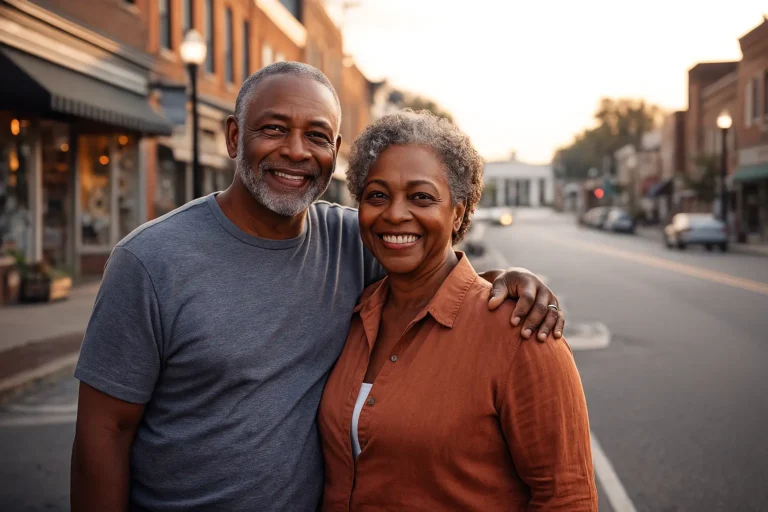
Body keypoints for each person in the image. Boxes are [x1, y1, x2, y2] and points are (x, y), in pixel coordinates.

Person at [70, 63, 565, 512]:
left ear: (335, 152)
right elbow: (103, 434)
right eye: (274, 129)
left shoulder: (357, 242)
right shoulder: (150, 261)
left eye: (317, 136)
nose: (296, 151)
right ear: (234, 137)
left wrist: (505, 282)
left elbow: (428, 260)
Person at [318, 110, 597, 511]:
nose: (395, 213)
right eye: (377, 195)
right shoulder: (350, 312)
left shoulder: (521, 333)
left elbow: (567, 498)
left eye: (422, 197)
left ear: (460, 212)